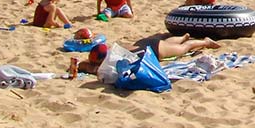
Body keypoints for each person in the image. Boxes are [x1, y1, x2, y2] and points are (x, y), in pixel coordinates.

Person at [68, 34, 223, 77]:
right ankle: (183, 36)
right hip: (146, 43)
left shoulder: (112, 61)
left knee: (183, 48)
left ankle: (205, 42)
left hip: (155, 50)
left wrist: (91, 67)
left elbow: (88, 67)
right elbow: (83, 65)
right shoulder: (114, 50)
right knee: (171, 43)